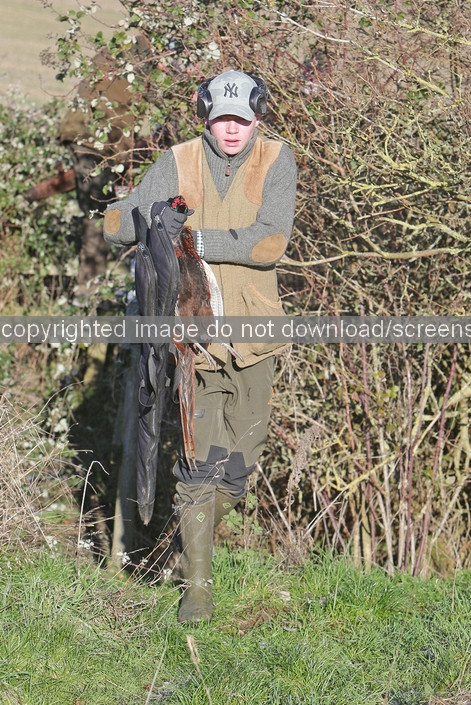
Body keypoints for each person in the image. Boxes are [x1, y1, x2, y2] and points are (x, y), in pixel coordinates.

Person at [102, 69, 297, 623]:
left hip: (257, 336)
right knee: (198, 465)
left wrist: (193, 241)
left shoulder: (277, 160)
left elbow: (270, 242)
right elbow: (119, 223)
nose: (231, 129)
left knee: (237, 472)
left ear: (257, 117)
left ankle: (180, 546)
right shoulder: (179, 160)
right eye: (221, 119)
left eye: (241, 119)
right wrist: (145, 220)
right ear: (205, 117)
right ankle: (198, 592)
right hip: (196, 342)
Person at [58, 37, 151, 298]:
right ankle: (89, 291)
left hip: (83, 135)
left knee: (98, 213)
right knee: (97, 215)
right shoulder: (143, 61)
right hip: (94, 142)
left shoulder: (119, 50)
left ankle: (92, 286)